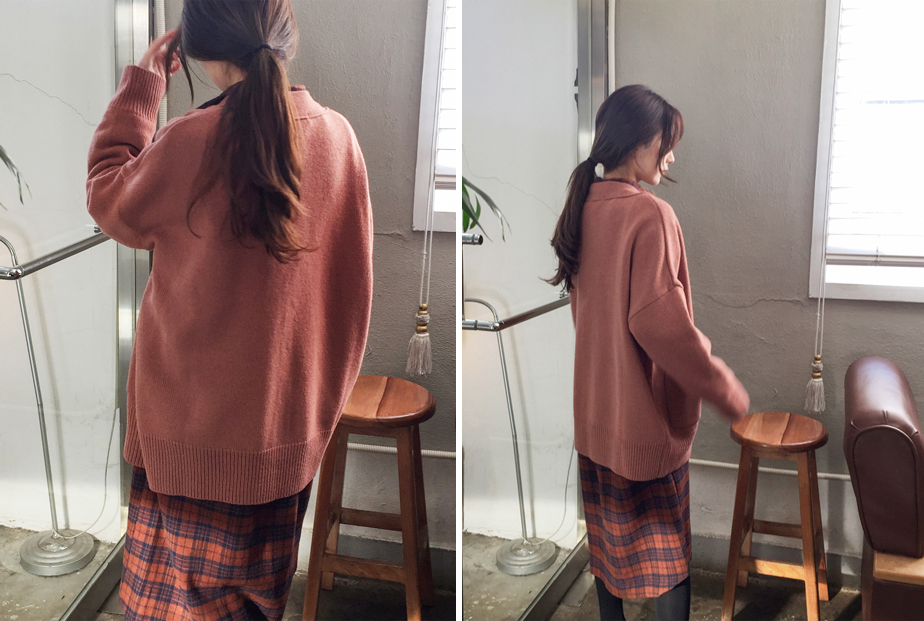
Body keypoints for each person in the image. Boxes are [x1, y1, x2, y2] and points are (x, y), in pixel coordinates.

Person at [85, 1, 373, 619]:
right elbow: (353, 300)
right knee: (256, 606)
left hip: (192, 447)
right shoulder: (338, 138)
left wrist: (143, 86)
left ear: (197, 50)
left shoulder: (190, 140)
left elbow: (107, 193)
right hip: (287, 445)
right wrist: (315, 418)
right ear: (285, 38)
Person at [549, 85, 749, 621]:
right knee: (668, 563)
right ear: (640, 142)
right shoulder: (650, 216)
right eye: (667, 142)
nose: (671, 156)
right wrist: (722, 385)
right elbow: (662, 326)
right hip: (642, 426)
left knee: (607, 554)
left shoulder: (584, 205)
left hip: (595, 418)